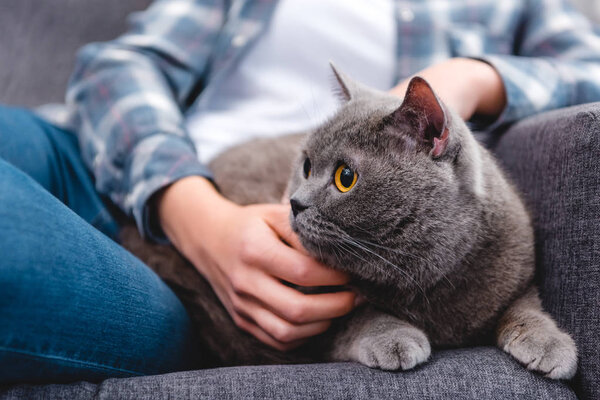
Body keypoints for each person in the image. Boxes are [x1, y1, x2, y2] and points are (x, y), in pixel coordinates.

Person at [1, 0, 600, 384]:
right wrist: (190, 208)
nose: (301, 198)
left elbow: (589, 65)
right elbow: (118, 65)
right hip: (92, 156)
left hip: (164, 274)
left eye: (335, 179)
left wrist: (469, 76)